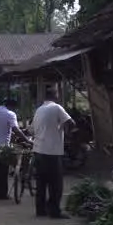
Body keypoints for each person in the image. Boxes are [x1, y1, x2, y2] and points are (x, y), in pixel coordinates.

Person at [31, 90, 75, 218]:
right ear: (56, 97)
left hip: (38, 150)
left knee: (41, 183)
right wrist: (68, 133)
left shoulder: (39, 110)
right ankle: (54, 211)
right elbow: (71, 123)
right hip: (52, 152)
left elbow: (32, 129)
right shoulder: (56, 107)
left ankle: (40, 210)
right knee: (55, 184)